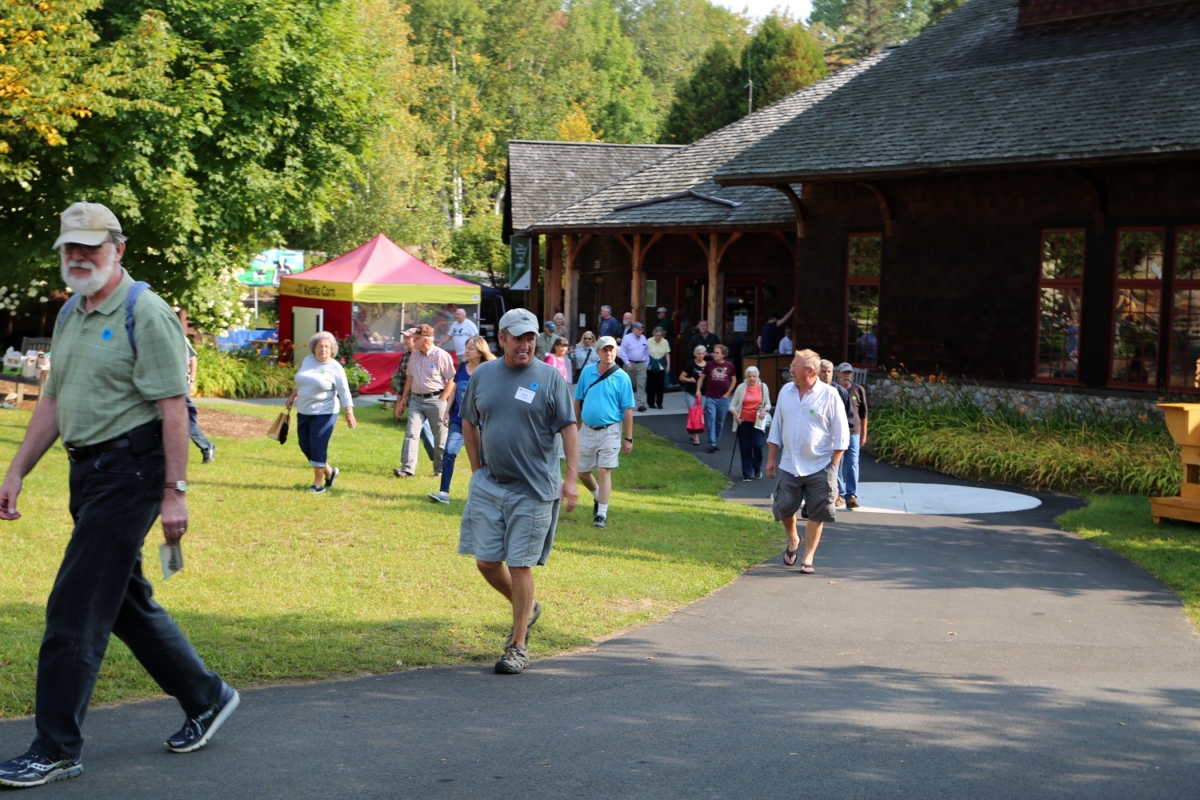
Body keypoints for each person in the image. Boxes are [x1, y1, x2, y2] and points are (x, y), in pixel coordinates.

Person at [0, 203, 238, 788]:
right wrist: (17, 470)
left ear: (118, 249)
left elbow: (173, 409)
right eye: (69, 248)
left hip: (132, 472)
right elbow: (53, 401)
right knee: (123, 601)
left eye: (91, 247)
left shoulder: (146, 313)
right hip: (89, 473)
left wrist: (174, 494)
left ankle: (56, 747)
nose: (78, 257)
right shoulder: (71, 314)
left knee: (75, 608)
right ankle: (207, 697)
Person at [458, 309, 579, 675]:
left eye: (531, 338)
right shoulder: (483, 375)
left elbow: (569, 429)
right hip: (491, 484)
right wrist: (477, 470)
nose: (526, 344)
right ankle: (527, 607)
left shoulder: (549, 378)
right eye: (518, 338)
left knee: (520, 564)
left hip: (534, 488)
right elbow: (468, 420)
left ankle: (518, 644)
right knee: (486, 562)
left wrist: (571, 479)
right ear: (502, 339)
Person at [766, 349, 849, 575]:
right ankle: (794, 539)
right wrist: (772, 457)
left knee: (817, 512)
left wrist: (833, 464)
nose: (790, 370)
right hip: (789, 463)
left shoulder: (830, 395)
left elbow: (842, 434)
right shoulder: (785, 391)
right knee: (783, 506)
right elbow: (777, 427)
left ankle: (808, 556)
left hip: (821, 465)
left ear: (810, 371)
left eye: (794, 366)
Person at [575, 336, 634, 529]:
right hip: (587, 429)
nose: (608, 353)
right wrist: (575, 426)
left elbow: (628, 409)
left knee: (603, 470)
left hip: (610, 430)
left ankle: (601, 514)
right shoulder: (587, 372)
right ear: (598, 352)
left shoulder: (622, 377)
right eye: (605, 350)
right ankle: (597, 496)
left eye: (612, 349)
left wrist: (629, 438)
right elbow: (578, 399)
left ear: (615, 351)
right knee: (582, 472)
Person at [284, 332, 356, 492]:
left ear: (332, 350)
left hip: (325, 412)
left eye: (327, 347)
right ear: (314, 348)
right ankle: (330, 472)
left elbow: (344, 390)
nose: (323, 349)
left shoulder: (335, 367)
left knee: (317, 445)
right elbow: (302, 381)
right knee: (305, 445)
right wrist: (292, 396)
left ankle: (318, 485)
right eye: (320, 346)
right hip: (304, 410)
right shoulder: (308, 361)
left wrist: (349, 411)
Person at [428, 335, 495, 504]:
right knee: (449, 452)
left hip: (482, 424)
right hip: (459, 420)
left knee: (485, 459)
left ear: (480, 352)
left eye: (470, 348)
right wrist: (447, 411)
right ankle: (444, 492)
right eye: (466, 347)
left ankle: (487, 494)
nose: (466, 351)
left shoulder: (488, 370)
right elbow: (454, 389)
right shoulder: (463, 366)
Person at [395, 323, 454, 479]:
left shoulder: (442, 355)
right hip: (416, 400)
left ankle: (440, 470)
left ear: (426, 340)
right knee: (411, 434)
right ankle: (407, 469)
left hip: (436, 400)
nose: (412, 341)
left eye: (416, 338)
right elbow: (410, 378)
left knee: (440, 437)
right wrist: (403, 399)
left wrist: (442, 400)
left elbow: (451, 380)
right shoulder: (414, 355)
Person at [392, 327, 436, 465]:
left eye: (408, 338)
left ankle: (439, 461)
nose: (405, 341)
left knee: (424, 430)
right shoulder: (405, 357)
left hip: (430, 397)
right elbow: (401, 381)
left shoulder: (427, 355)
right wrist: (400, 402)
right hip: (413, 398)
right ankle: (408, 466)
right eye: (404, 338)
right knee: (415, 431)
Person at [818, 359, 855, 507]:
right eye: (823, 371)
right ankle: (812, 501)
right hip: (817, 439)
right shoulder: (811, 391)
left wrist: (844, 434)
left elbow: (848, 417)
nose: (826, 375)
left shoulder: (841, 392)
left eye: (829, 372)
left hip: (835, 439)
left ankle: (838, 495)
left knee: (835, 468)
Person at [729, 365, 772, 481]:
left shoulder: (763, 387)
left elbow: (768, 403)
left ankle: (757, 467)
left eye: (754, 376)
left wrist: (764, 410)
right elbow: (732, 405)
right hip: (744, 421)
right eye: (749, 376)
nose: (752, 378)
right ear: (746, 377)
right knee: (745, 447)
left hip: (758, 421)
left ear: (758, 376)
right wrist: (736, 415)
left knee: (758, 445)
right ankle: (746, 472)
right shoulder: (741, 387)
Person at [835, 362, 868, 510]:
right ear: (838, 374)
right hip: (838, 433)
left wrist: (864, 433)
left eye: (849, 373)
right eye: (844, 372)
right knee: (837, 463)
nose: (847, 375)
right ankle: (840, 494)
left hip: (854, 432)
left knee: (853, 463)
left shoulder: (858, 390)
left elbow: (863, 413)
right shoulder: (834, 390)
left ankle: (851, 495)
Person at [696, 344, 737, 452]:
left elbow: (734, 380)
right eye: (714, 352)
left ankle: (716, 441)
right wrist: (698, 389)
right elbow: (701, 378)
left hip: (723, 398)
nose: (714, 354)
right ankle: (712, 443)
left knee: (720, 421)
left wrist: (728, 393)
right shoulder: (709, 365)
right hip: (710, 397)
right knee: (711, 420)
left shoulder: (729, 365)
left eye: (717, 353)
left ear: (723, 355)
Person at [184, 346, 215, 464]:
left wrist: (192, 380)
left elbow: (193, 359)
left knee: (183, 418)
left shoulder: (178, 336)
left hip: (180, 382)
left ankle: (206, 447)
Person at [679, 345, 708, 445]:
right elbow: (681, 377)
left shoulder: (707, 365)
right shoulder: (690, 364)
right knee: (693, 412)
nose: (700, 355)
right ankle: (695, 435)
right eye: (699, 353)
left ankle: (696, 431)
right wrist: (689, 379)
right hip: (691, 392)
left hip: (703, 393)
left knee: (700, 413)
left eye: (702, 354)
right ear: (695, 354)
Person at [619, 320, 650, 412]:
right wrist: (627, 363)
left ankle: (641, 404)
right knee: (628, 384)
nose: (641, 331)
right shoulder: (627, 338)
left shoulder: (644, 338)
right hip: (630, 363)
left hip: (641, 364)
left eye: (642, 330)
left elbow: (647, 352)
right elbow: (623, 351)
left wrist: (646, 364)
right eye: (639, 330)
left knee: (641, 384)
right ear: (634, 330)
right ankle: (626, 403)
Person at [646, 326, 671, 410]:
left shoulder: (665, 342)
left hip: (661, 366)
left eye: (660, 335)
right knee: (651, 385)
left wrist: (668, 365)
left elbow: (667, 354)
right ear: (653, 334)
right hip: (651, 366)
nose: (658, 337)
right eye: (656, 335)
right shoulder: (649, 341)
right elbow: (645, 353)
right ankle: (651, 403)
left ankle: (659, 403)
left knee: (660, 386)